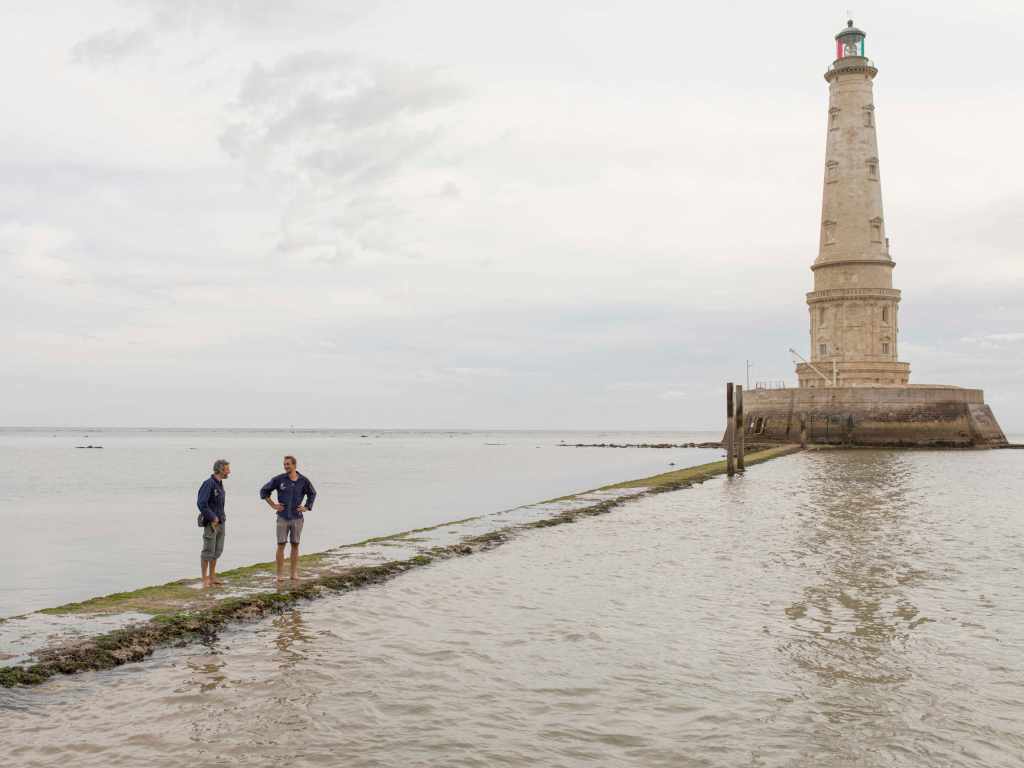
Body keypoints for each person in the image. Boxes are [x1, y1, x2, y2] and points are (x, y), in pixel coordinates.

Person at [260, 455, 317, 583]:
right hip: (282, 517)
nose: (286, 466)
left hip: (297, 518)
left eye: (288, 464)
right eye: (284, 464)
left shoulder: (303, 480)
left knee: (295, 544)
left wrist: (307, 507)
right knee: (281, 544)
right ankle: (279, 575)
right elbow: (264, 491)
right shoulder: (279, 479)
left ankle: (294, 573)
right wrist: (273, 505)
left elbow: (312, 493)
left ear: (294, 465)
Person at [197, 459, 230, 588]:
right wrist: (212, 518)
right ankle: (204, 578)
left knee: (217, 550)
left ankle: (212, 577)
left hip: (221, 522)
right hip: (211, 524)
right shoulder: (208, 483)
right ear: (220, 470)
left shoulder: (220, 484)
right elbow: (201, 503)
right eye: (227, 469)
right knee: (208, 551)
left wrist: (220, 518)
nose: (229, 472)